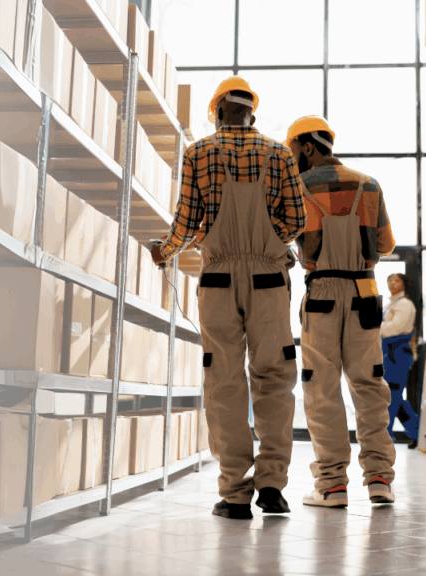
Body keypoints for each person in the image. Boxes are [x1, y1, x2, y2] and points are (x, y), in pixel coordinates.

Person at [151, 76, 305, 520]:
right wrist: (267, 244)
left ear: (218, 110)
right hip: (269, 280)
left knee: (224, 382)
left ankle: (235, 492)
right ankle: (272, 483)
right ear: (250, 111)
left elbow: (184, 222)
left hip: (217, 277)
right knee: (275, 376)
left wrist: (164, 251)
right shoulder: (278, 152)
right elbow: (297, 218)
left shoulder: (197, 153)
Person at [286, 115, 397, 508]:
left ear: (309, 146)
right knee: (370, 386)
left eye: (294, 150)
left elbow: (285, 240)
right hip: (365, 290)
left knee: (322, 389)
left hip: (322, 296)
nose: (292, 158)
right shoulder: (369, 184)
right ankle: (380, 479)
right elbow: (383, 244)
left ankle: (332, 485)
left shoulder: (297, 187)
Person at [381, 273, 421, 449]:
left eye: (396, 281)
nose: (392, 283)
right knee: (394, 398)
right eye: (389, 280)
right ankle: (417, 432)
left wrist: (374, 326)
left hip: (397, 355)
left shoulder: (404, 304)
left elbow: (393, 329)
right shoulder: (390, 304)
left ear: (404, 284)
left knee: (390, 397)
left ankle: (385, 438)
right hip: (389, 354)